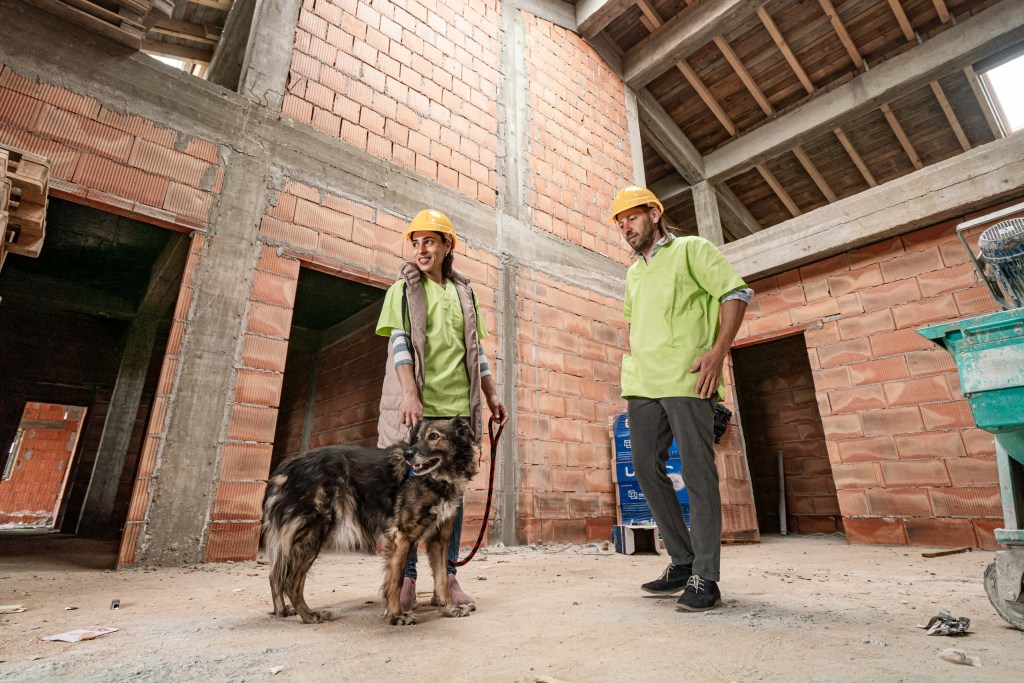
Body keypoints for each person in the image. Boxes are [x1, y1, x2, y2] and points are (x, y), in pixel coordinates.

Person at [611, 185, 750, 612]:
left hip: (689, 377)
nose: (625, 228)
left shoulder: (691, 249)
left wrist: (717, 353)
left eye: (631, 217)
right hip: (644, 384)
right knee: (645, 469)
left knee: (696, 471)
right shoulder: (634, 273)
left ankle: (705, 576)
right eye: (619, 223)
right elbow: (635, 326)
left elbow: (735, 294)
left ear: (654, 213)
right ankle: (682, 560)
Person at [376, 208, 508, 614]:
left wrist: (491, 395)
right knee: (408, 493)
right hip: (419, 409)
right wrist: (411, 395)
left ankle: (447, 576)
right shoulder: (404, 289)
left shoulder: (464, 294)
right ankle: (407, 578)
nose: (421, 249)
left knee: (453, 491)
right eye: (416, 243)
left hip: (457, 413)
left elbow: (477, 353)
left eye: (429, 241)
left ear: (448, 245)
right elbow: (399, 344)